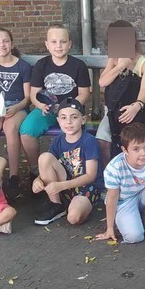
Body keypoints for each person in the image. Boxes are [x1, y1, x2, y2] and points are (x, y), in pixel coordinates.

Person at [20, 24, 91, 179]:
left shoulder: (78, 66)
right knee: (26, 131)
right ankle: (35, 170)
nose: (58, 46)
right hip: (47, 109)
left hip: (71, 110)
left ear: (69, 44)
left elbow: (84, 94)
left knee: (73, 131)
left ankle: (74, 171)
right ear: (47, 44)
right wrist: (41, 105)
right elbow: (34, 94)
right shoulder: (41, 65)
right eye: (54, 42)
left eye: (63, 42)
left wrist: (66, 107)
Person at [96, 20, 145, 160]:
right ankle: (108, 171)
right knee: (102, 140)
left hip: (135, 110)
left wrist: (136, 106)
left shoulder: (144, 64)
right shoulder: (114, 59)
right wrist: (120, 66)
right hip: (114, 111)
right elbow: (103, 82)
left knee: (133, 142)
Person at [32, 98, 103, 226]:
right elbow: (47, 164)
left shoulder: (89, 141)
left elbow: (90, 176)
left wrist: (61, 186)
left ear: (83, 119)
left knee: (73, 218)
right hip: (64, 183)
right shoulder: (58, 140)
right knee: (45, 157)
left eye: (74, 117)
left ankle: (75, 205)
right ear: (58, 120)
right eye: (63, 118)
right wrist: (38, 180)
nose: (68, 122)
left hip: (86, 187)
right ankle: (56, 204)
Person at [97, 122, 145, 243]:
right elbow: (112, 198)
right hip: (124, 201)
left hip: (143, 195)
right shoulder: (115, 167)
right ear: (125, 150)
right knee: (134, 237)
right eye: (136, 149)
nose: (144, 153)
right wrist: (109, 228)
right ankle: (127, 219)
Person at [0, 27, 32, 199]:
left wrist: (16, 108)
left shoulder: (23, 66)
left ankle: (13, 176)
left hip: (17, 107)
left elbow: (27, 98)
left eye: (5, 41)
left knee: (10, 128)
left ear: (12, 44)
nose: (1, 45)